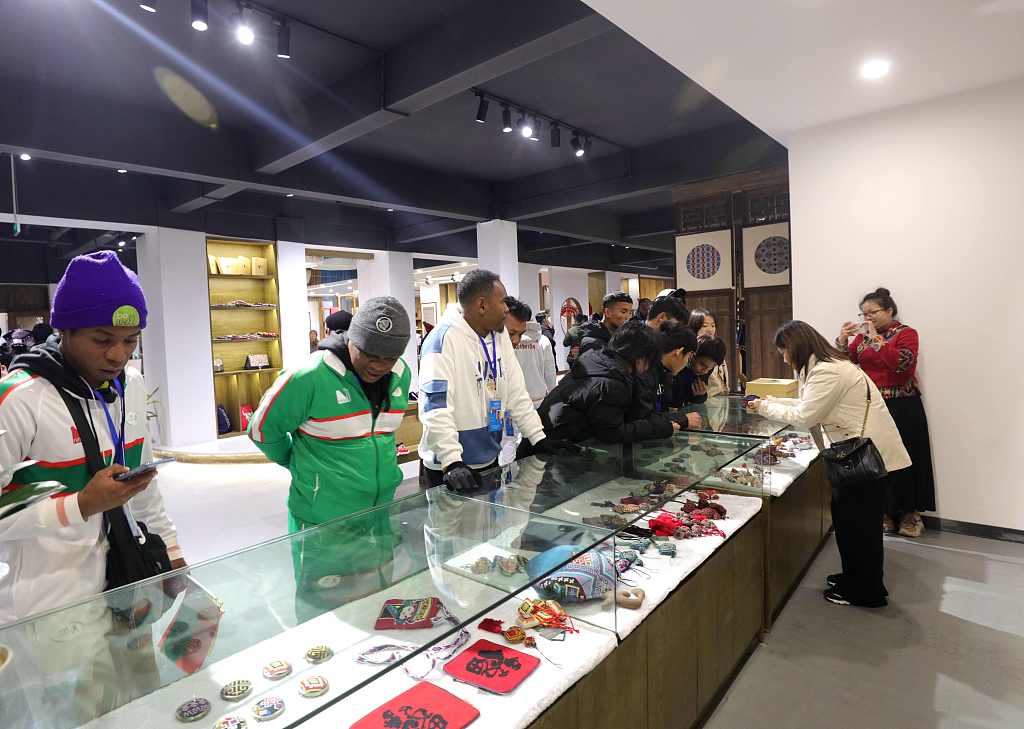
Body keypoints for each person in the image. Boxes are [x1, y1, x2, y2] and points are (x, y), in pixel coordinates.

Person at [0, 250, 184, 624]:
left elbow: (143, 488)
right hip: (51, 612)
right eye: (102, 339)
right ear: (64, 330)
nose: (118, 355)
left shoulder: (130, 386)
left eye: (131, 340)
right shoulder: (20, 399)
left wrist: (172, 550)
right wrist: (81, 504)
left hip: (129, 586)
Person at [747, 320, 910, 608]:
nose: (783, 358)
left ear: (796, 347)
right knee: (850, 523)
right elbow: (808, 406)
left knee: (860, 528)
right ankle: (854, 578)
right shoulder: (828, 365)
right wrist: (771, 402)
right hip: (859, 453)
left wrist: (763, 406)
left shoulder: (827, 371)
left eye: (783, 351)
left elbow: (805, 416)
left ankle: (866, 591)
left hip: (863, 457)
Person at [249, 297, 413, 530]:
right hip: (321, 524)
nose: (379, 365)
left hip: (379, 516)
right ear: (352, 339)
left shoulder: (400, 374)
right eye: (369, 354)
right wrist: (298, 465)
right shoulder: (309, 376)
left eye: (390, 358)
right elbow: (262, 429)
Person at [418, 270, 567, 493]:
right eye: (502, 302)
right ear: (481, 305)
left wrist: (538, 437)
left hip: (489, 456)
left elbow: (516, 391)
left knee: (488, 515)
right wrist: (452, 460)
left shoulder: (499, 336)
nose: (507, 308)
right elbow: (435, 407)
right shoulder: (443, 339)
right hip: (450, 467)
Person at [837, 287, 934, 538]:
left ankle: (910, 514)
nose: (868, 318)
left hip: (903, 406)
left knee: (907, 457)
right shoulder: (862, 339)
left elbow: (902, 365)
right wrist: (843, 341)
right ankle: (884, 512)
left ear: (889, 310)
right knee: (878, 461)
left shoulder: (906, 333)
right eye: (864, 314)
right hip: (873, 406)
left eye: (873, 312)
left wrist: (876, 341)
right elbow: (845, 365)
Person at [538, 321, 695, 444]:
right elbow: (613, 433)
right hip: (555, 449)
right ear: (641, 358)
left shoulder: (599, 360)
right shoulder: (613, 382)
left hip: (545, 438)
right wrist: (663, 427)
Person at [506, 297, 557, 407]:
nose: (516, 340)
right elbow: (550, 373)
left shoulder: (509, 340)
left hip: (514, 402)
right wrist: (554, 399)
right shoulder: (543, 341)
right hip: (538, 400)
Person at [672, 336, 727, 407]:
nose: (705, 371)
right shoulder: (677, 366)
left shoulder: (706, 370)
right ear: (692, 354)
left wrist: (701, 395)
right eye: (702, 365)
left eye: (711, 367)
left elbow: (698, 395)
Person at [688, 309, 730, 396]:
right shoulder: (688, 353)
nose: (710, 330)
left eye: (713, 326)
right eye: (704, 326)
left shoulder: (717, 349)